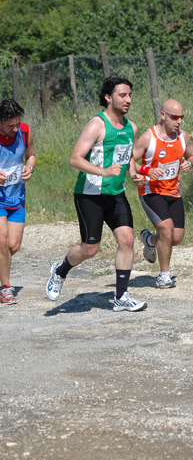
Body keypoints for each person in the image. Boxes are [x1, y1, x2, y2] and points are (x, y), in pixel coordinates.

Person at [45, 77, 147, 312]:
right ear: (108, 98)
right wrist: (103, 171)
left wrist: (133, 174)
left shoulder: (131, 128)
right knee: (90, 249)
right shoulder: (96, 125)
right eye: (123, 95)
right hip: (90, 194)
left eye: (130, 94)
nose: (128, 99)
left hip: (116, 194)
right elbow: (75, 159)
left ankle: (121, 297)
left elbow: (127, 158)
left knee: (127, 240)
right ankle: (60, 271)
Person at [134, 99, 193, 289]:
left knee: (176, 238)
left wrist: (189, 163)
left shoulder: (182, 137)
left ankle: (149, 240)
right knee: (166, 230)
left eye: (181, 118)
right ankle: (163, 275)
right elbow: (129, 161)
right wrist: (146, 170)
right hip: (151, 191)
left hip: (173, 191)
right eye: (174, 117)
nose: (178, 121)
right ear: (163, 115)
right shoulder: (148, 138)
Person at [0, 99, 36, 305]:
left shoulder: (24, 131)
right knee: (2, 242)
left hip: (16, 197)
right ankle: (5, 288)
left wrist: (29, 168)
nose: (15, 129)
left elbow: (31, 156)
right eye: (10, 125)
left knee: (12, 246)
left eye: (17, 124)